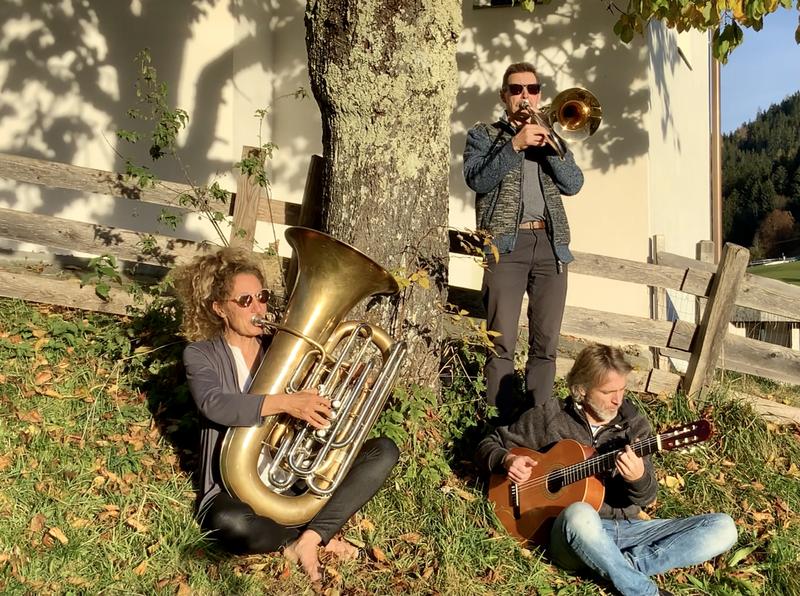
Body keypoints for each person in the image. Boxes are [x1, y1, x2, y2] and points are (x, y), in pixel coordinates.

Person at [172, 246, 399, 583]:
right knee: (233, 526)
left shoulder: (283, 350)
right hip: (231, 492)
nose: (258, 307)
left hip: (292, 487)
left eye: (261, 297)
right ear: (220, 308)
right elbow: (214, 404)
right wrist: (286, 403)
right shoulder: (201, 354)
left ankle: (308, 538)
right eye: (245, 301)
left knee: (384, 451)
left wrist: (344, 383)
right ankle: (309, 537)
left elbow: (316, 405)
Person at [476, 344, 738, 596]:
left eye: (622, 389)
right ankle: (643, 591)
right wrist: (506, 460)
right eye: (607, 392)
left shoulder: (634, 427)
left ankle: (616, 568)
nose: (617, 400)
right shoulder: (549, 415)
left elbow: (646, 497)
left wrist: (637, 478)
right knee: (580, 513)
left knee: (723, 528)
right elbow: (490, 444)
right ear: (582, 389)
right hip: (569, 533)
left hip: (628, 528)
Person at [463, 61, 585, 423]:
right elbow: (477, 179)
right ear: (504, 96)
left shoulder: (551, 135)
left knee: (545, 345)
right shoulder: (484, 134)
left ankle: (538, 422)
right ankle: (499, 426)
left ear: (540, 94)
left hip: (550, 246)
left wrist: (548, 145)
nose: (524, 96)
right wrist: (514, 145)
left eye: (532, 89)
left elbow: (573, 184)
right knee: (501, 343)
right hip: (506, 247)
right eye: (516, 90)